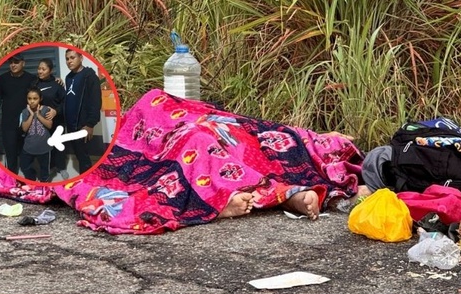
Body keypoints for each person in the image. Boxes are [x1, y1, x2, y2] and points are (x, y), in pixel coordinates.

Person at [52, 89, 368, 235]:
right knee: (197, 140)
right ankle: (231, 199)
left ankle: (296, 172)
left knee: (236, 129)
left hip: (160, 121)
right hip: (161, 142)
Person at [0, 53, 37, 174]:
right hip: (8, 123)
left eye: (16, 62)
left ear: (23, 63)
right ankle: (11, 178)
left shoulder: (31, 79)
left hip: (26, 122)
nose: (13, 65)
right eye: (11, 63)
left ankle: (28, 179)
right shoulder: (2, 79)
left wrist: (57, 79)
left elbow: (44, 85)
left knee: (26, 152)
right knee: (10, 152)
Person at [63, 49, 102, 175]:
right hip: (71, 125)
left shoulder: (89, 76)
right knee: (79, 156)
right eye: (67, 59)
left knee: (84, 158)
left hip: (83, 125)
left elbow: (95, 101)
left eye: (72, 57)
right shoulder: (68, 77)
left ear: (81, 58)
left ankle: (87, 184)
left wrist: (90, 124)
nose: (69, 61)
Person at [34, 58, 67, 180]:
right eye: (39, 69)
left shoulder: (57, 85)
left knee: (59, 145)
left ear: (50, 70)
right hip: (41, 122)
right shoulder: (35, 84)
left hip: (57, 121)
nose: (40, 71)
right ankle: (50, 167)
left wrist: (55, 111)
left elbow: (65, 102)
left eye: (43, 69)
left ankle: (62, 167)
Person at [19, 87, 53, 182]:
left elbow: (49, 125)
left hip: (44, 147)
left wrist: (38, 115)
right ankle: (31, 179)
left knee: (44, 169)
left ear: (40, 99)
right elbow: (24, 128)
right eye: (29, 99)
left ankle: (44, 183)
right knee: (25, 166)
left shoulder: (46, 109)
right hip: (29, 146)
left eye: (35, 98)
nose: (32, 101)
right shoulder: (25, 112)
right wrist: (31, 114)